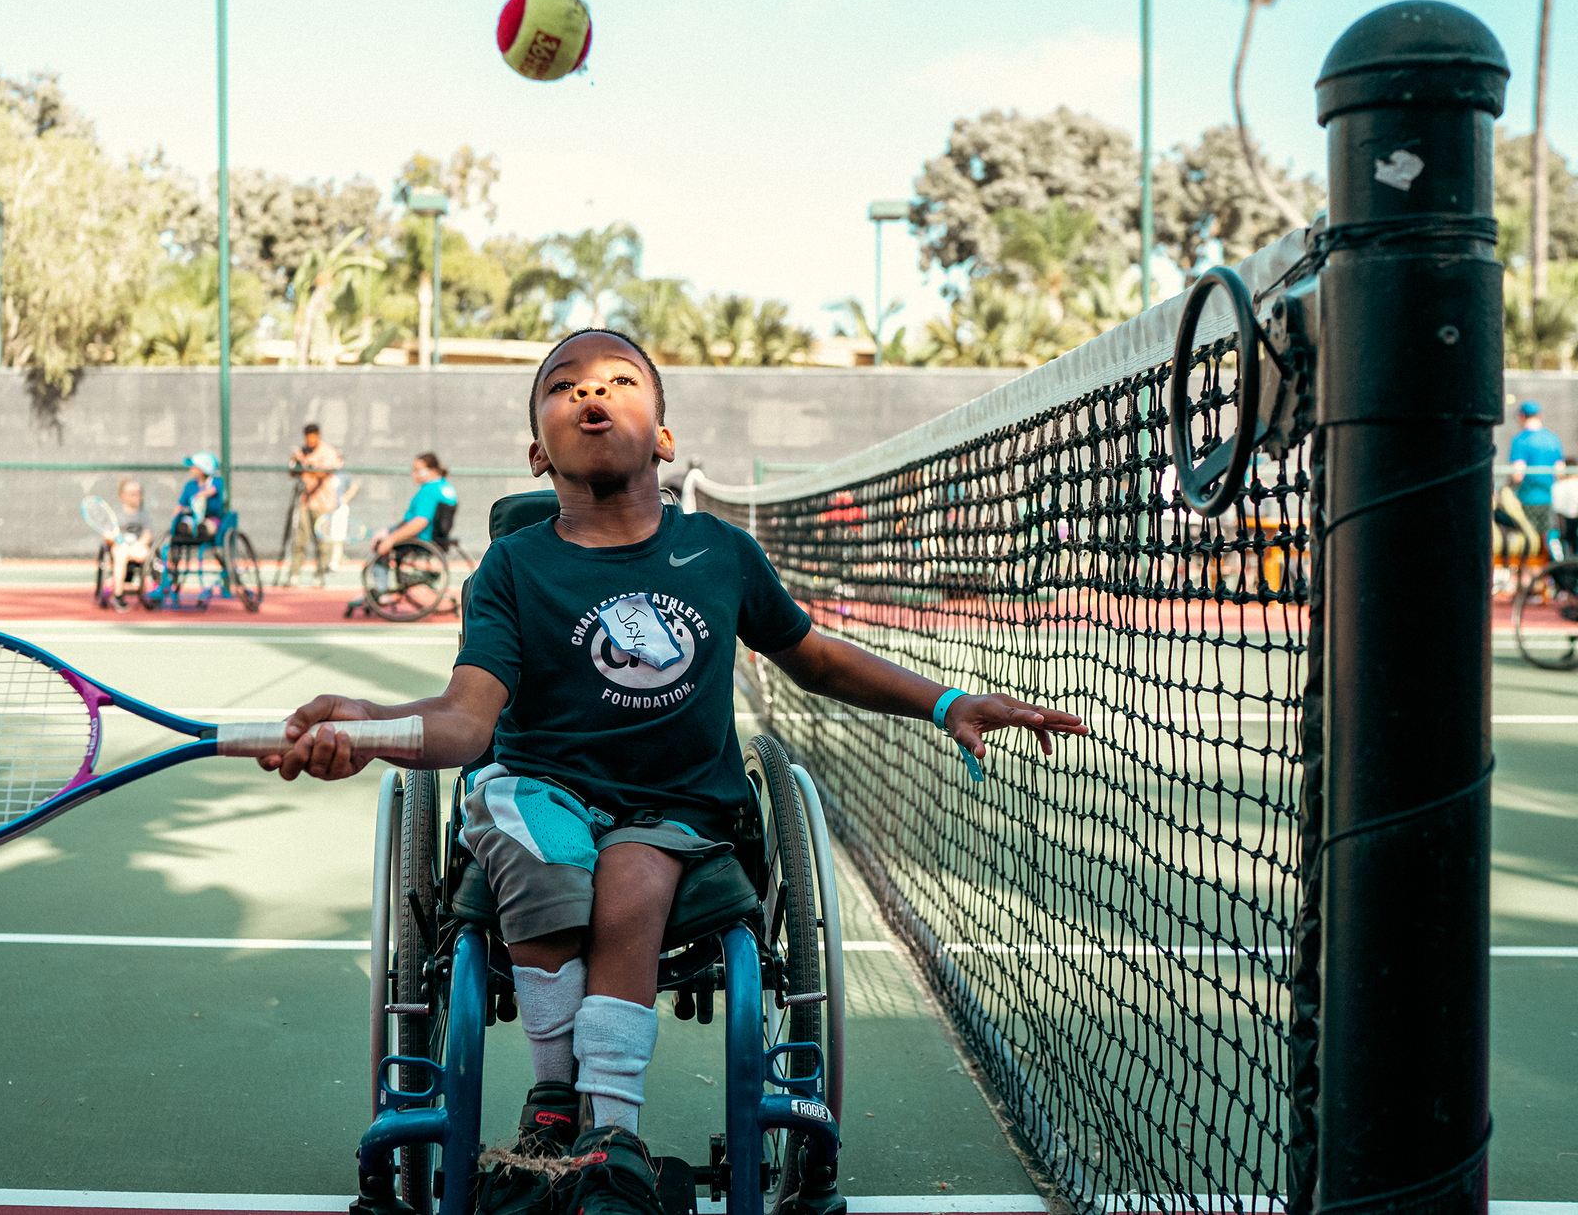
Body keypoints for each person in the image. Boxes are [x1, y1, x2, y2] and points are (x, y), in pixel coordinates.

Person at [257, 328, 1087, 1215]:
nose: (590, 394)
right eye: (563, 385)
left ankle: (609, 1134)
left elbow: (815, 657)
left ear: (663, 435)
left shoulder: (718, 553)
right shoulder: (512, 567)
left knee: (634, 872)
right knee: (539, 848)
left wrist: (944, 701)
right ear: (538, 450)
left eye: (619, 380)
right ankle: (551, 1101)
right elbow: (466, 720)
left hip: (678, 808)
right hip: (540, 786)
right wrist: (367, 723)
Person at [366, 453, 457, 590]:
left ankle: (380, 590)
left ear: (432, 471)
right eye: (413, 469)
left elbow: (420, 522)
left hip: (420, 538)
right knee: (381, 534)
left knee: (379, 540)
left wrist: (390, 539)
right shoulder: (445, 487)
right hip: (435, 537)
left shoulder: (429, 490)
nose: (414, 474)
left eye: (418, 470)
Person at [287, 422, 343, 587]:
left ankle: (319, 576)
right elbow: (292, 473)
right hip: (305, 503)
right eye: (308, 437)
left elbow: (322, 474)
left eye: (314, 437)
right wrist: (296, 461)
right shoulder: (302, 452)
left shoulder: (328, 452)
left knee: (322, 543)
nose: (311, 440)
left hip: (324, 505)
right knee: (299, 540)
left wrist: (304, 463)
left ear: (318, 436)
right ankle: (294, 576)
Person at [1510, 401, 1567, 554]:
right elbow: (1560, 472)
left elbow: (1517, 474)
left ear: (1521, 416)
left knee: (1530, 542)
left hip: (1527, 500)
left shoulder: (1520, 440)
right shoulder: (1553, 439)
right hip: (1549, 499)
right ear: (1539, 415)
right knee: (1548, 541)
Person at [103, 478, 154, 607]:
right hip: (120, 550)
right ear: (122, 496)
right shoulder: (116, 515)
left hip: (138, 550)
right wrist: (112, 538)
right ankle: (118, 594)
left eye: (138, 493)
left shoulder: (144, 515)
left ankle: (150, 589)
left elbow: (147, 535)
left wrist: (137, 546)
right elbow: (107, 535)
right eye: (131, 494)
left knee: (146, 553)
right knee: (120, 554)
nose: (136, 496)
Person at [175, 452, 225, 541]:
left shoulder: (216, 481)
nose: (191, 469)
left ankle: (202, 528)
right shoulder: (190, 485)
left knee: (206, 527)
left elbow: (213, 490)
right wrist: (174, 519)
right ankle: (187, 528)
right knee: (184, 525)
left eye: (194, 467)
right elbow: (180, 504)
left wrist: (201, 495)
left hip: (212, 518)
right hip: (193, 518)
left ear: (203, 468)